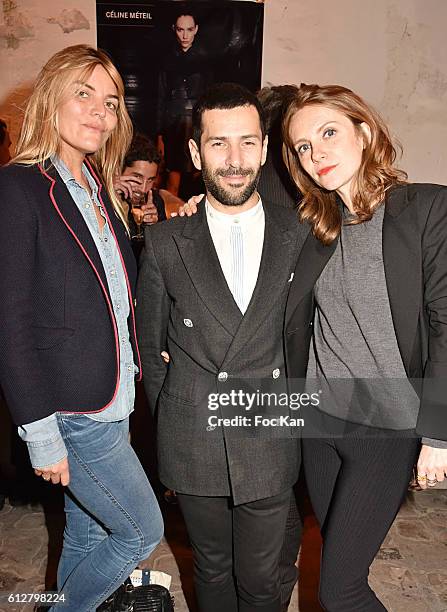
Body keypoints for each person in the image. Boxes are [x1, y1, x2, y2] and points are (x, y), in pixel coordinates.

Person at [0, 44, 163, 611]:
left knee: (90, 532)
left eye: (112, 102)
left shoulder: (96, 188)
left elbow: (116, 295)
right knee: (141, 531)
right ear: (51, 101)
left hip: (113, 395)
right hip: (71, 410)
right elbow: (11, 321)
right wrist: (39, 433)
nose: (100, 111)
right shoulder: (19, 188)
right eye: (84, 94)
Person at [137, 82, 304, 612]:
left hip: (269, 433)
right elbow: (150, 348)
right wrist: (177, 418)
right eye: (218, 144)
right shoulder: (165, 241)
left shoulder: (300, 232)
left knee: (260, 580)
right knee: (210, 570)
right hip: (194, 435)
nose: (234, 161)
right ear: (195, 151)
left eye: (247, 142)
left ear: (265, 145)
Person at [281, 83, 447, 611]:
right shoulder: (314, 228)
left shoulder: (426, 209)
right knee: (341, 565)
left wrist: (439, 436)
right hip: (321, 422)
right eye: (303, 146)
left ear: (365, 131)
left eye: (328, 133)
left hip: (387, 427)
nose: (316, 154)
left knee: (338, 588)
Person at [155, 9, 213, 197]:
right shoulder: (166, 59)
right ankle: (173, 223)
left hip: (198, 124)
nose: (185, 35)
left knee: (202, 177)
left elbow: (210, 97)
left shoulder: (207, 58)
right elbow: (161, 97)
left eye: (189, 29)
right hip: (174, 126)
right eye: (180, 30)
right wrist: (160, 135)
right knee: (174, 178)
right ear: (174, 29)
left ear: (196, 29)